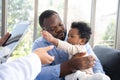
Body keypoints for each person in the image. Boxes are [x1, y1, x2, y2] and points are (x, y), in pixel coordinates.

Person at [32, 10, 104, 80]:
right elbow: (38, 74)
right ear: (44, 31)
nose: (59, 29)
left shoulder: (78, 38)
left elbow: (95, 63)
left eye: (60, 24)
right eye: (52, 28)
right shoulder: (39, 45)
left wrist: (97, 76)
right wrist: (69, 66)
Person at [42, 21, 110, 80]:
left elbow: (66, 47)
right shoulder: (39, 43)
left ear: (82, 41)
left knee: (73, 76)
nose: (68, 38)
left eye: (72, 36)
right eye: (68, 36)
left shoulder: (79, 48)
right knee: (68, 76)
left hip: (85, 74)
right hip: (77, 74)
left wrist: (53, 40)